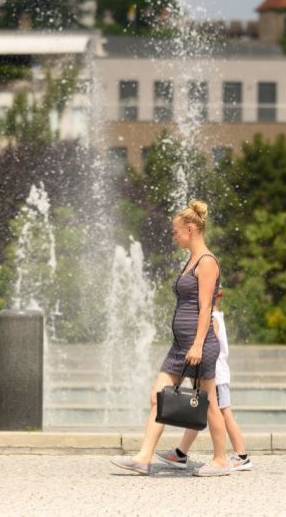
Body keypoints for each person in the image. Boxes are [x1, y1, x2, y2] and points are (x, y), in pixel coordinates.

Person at [110, 199, 231, 477]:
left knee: (208, 400)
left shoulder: (207, 262)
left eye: (176, 232)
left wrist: (199, 343)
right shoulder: (191, 260)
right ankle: (144, 457)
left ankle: (221, 459)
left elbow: (205, 307)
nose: (174, 236)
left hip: (198, 345)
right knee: (157, 396)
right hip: (180, 346)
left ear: (190, 229)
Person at [154, 287, 253, 472]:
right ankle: (181, 453)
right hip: (216, 374)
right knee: (200, 411)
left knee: (223, 414)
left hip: (216, 375)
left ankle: (241, 455)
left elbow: (210, 343)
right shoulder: (217, 316)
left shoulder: (213, 318)